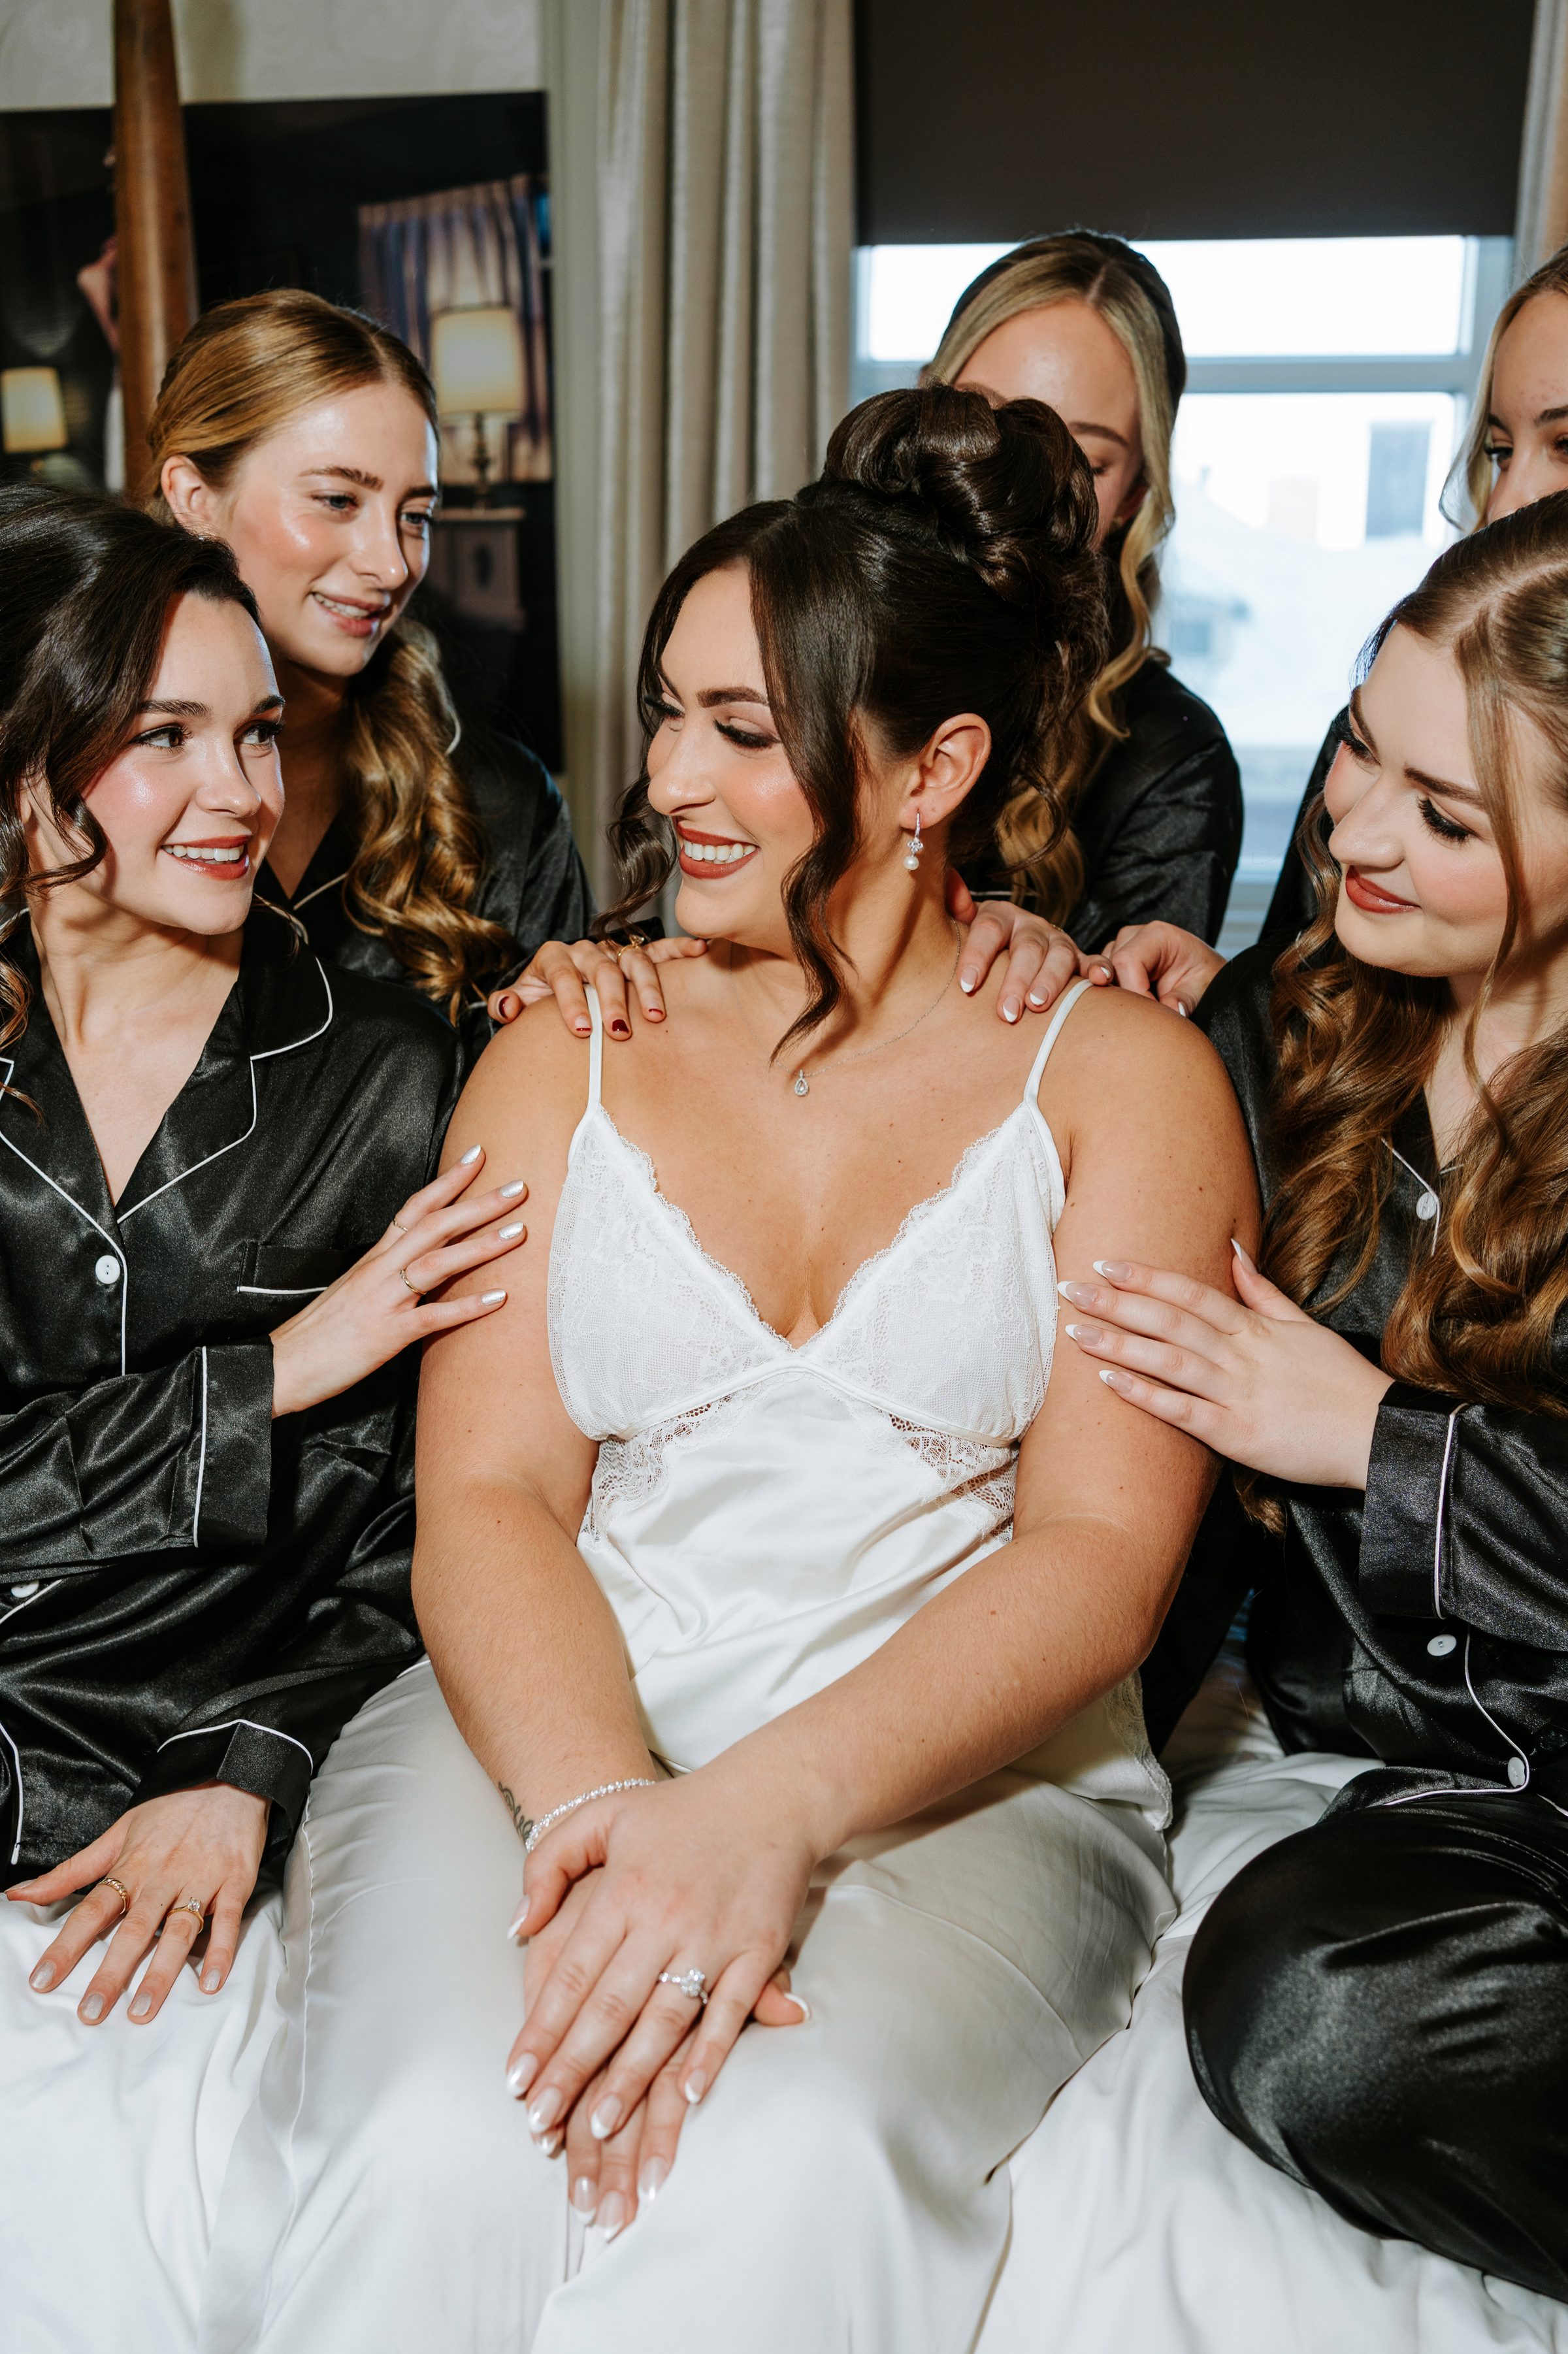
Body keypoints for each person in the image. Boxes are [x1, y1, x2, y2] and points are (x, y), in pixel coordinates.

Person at [196, 383, 1255, 2354]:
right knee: (449, 2128)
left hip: (971, 1764)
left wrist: (759, 1818)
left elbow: (1101, 1557)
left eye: (741, 733)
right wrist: (608, 1813)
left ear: (935, 765)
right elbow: (494, 1492)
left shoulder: (1121, 1079)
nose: (668, 774)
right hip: (551, 1696)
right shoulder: (557, 1044)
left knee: (794, 2149)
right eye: (668, 711)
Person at [0, 487, 523, 2342]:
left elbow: (416, 1524)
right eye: (162, 739)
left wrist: (244, 1769)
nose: (238, 787)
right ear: (27, 764)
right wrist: (281, 1369)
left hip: (199, 1731)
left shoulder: (385, 1065)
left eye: (252, 729)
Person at [1063, 494, 1568, 2298]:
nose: (1347, 825)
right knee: (1299, 2002)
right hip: (1443, 1832)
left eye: (1443, 816)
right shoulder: (1279, 1031)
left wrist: (1375, 1438)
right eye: (1361, 739)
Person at [148, 289, 598, 1071]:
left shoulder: (498, 807)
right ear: (195, 499)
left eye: (415, 516)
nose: (392, 565)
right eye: (337, 500)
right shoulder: (67, 790)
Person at [1256, 241, 1568, 951]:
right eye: (1499, 451)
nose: (1509, 499)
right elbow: (1293, 983)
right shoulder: (1386, 721)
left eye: (1567, 444)